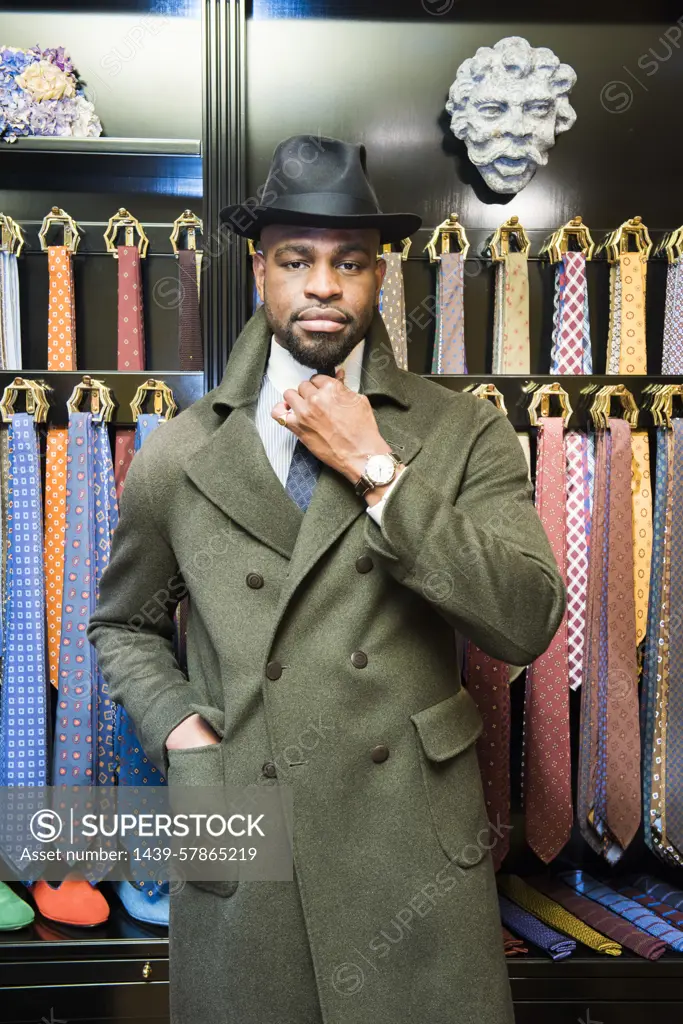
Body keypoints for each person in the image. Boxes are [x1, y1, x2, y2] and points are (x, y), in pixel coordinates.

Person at [87, 134, 565, 1024]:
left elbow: (525, 618)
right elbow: (123, 625)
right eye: (296, 260)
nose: (322, 286)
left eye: (349, 262)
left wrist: (379, 470)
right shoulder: (181, 452)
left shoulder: (462, 434)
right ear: (258, 270)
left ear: (380, 276)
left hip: (408, 851)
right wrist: (184, 733)